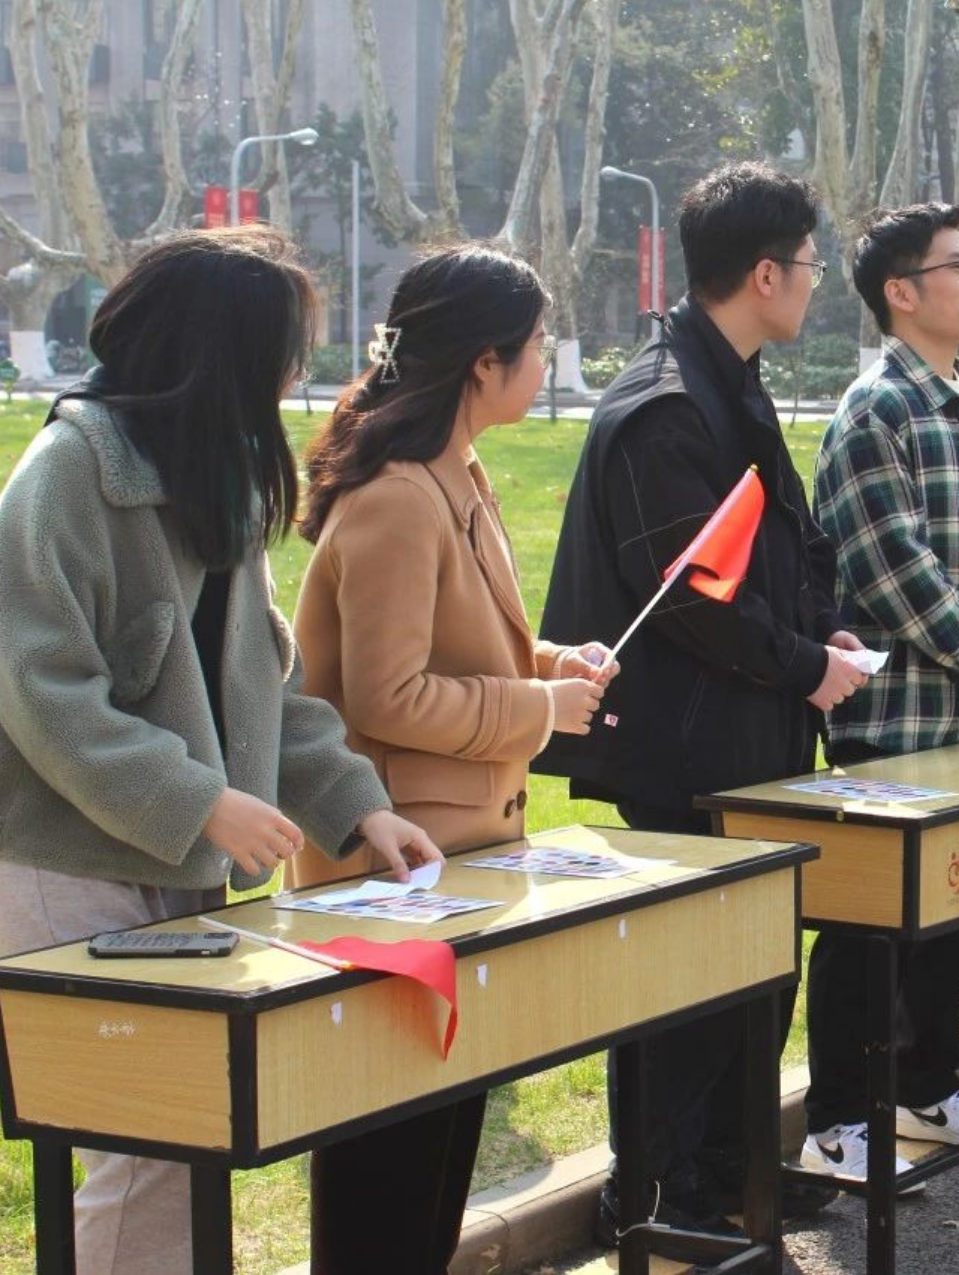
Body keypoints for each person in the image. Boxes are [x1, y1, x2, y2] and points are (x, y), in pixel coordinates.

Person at [0, 226, 441, 1275]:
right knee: (144, 1144)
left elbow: (263, 678)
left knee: (187, 1138)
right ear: (221, 353)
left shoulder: (221, 468)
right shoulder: (66, 472)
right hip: (63, 859)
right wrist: (197, 799)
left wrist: (357, 803)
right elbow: (38, 689)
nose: (297, 373)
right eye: (286, 350)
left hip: (179, 859)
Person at [536, 162, 860, 1239]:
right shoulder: (665, 405)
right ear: (764, 273)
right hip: (685, 750)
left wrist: (821, 633)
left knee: (757, 973)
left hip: (750, 735)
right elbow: (689, 599)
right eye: (809, 265)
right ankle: (654, 1194)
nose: (813, 282)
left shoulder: (730, 380)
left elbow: (781, 542)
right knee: (685, 986)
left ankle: (734, 1173)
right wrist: (804, 665)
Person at [289, 244, 618, 1271]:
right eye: (538, 342)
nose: (545, 360)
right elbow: (384, 696)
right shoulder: (397, 493)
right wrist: (538, 706)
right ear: (486, 361)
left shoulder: (454, 469)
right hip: (390, 873)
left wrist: (554, 663)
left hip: (455, 861)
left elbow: (456, 645)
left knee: (438, 1149)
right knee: (387, 1173)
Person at [803, 202, 959, 1180]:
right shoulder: (875, 411)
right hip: (898, 721)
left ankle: (924, 1085)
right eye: (958, 266)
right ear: (901, 293)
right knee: (869, 927)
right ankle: (837, 1118)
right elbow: (891, 571)